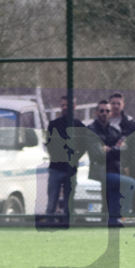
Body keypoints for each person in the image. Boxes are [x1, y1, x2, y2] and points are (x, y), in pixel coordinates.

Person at [87, 99, 135, 228]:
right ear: (96, 112)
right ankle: (125, 215)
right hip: (101, 172)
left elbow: (125, 149)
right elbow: (97, 154)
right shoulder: (91, 130)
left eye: (107, 111)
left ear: (110, 113)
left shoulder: (114, 130)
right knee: (130, 183)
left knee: (113, 205)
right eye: (101, 111)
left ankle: (113, 225)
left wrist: (109, 149)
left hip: (116, 170)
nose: (104, 113)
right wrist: (116, 148)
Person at [44, 96, 79, 227]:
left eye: (67, 105)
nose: (65, 107)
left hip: (71, 169)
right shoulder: (54, 124)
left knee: (69, 204)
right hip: (55, 168)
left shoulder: (78, 125)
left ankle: (67, 227)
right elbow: (49, 145)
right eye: (63, 105)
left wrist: (75, 156)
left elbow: (82, 146)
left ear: (74, 106)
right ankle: (49, 227)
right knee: (51, 203)